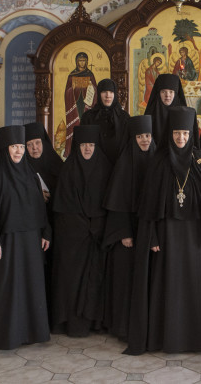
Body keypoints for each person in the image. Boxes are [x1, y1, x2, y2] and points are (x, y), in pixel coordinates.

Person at [126, 106, 201, 355]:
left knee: (197, 287)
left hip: (197, 240)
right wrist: (152, 237)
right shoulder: (158, 162)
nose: (181, 138)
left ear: (191, 133)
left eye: (185, 133)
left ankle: (197, 340)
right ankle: (168, 339)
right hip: (168, 239)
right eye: (176, 133)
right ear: (169, 133)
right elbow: (148, 208)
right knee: (169, 289)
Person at [0, 125, 51, 350]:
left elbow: (39, 208)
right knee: (6, 289)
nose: (19, 151)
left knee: (28, 288)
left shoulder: (29, 174)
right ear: (5, 148)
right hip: (5, 243)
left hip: (30, 243)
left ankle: (28, 333)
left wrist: (45, 232)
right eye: (14, 147)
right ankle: (6, 337)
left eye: (21, 147)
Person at [51, 125, 112, 337]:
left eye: (91, 145)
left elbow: (109, 204)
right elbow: (63, 209)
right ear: (77, 146)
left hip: (97, 238)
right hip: (73, 241)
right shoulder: (68, 170)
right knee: (72, 280)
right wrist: (84, 227)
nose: (87, 149)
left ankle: (95, 323)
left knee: (95, 281)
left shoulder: (105, 169)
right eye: (84, 145)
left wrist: (96, 227)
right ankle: (72, 324)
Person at [103, 116, 156, 340]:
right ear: (133, 138)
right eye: (140, 136)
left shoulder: (157, 161)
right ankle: (123, 329)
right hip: (127, 235)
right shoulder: (124, 163)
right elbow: (117, 202)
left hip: (149, 233)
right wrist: (124, 232)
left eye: (147, 135)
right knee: (126, 282)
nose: (144, 140)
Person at [24, 121, 64, 321]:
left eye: (38, 143)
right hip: (32, 228)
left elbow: (67, 194)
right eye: (29, 144)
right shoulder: (21, 168)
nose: (34, 148)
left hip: (56, 226)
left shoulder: (57, 165)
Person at [81, 78, 130, 163]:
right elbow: (82, 145)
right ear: (98, 93)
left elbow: (128, 147)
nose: (108, 95)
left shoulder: (124, 117)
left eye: (111, 92)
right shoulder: (88, 117)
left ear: (115, 94)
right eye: (104, 92)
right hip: (95, 165)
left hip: (118, 165)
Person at [143, 73, 199, 149]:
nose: (167, 95)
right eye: (163, 92)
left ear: (176, 94)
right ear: (158, 93)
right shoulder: (151, 113)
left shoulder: (184, 114)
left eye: (171, 92)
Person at [64, 52, 98, 157]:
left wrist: (91, 87)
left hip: (86, 105)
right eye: (80, 61)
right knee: (75, 124)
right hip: (75, 103)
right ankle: (71, 151)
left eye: (83, 61)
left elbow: (96, 91)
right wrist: (73, 88)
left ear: (86, 62)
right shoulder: (72, 75)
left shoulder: (90, 74)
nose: (82, 63)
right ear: (76, 62)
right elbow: (67, 92)